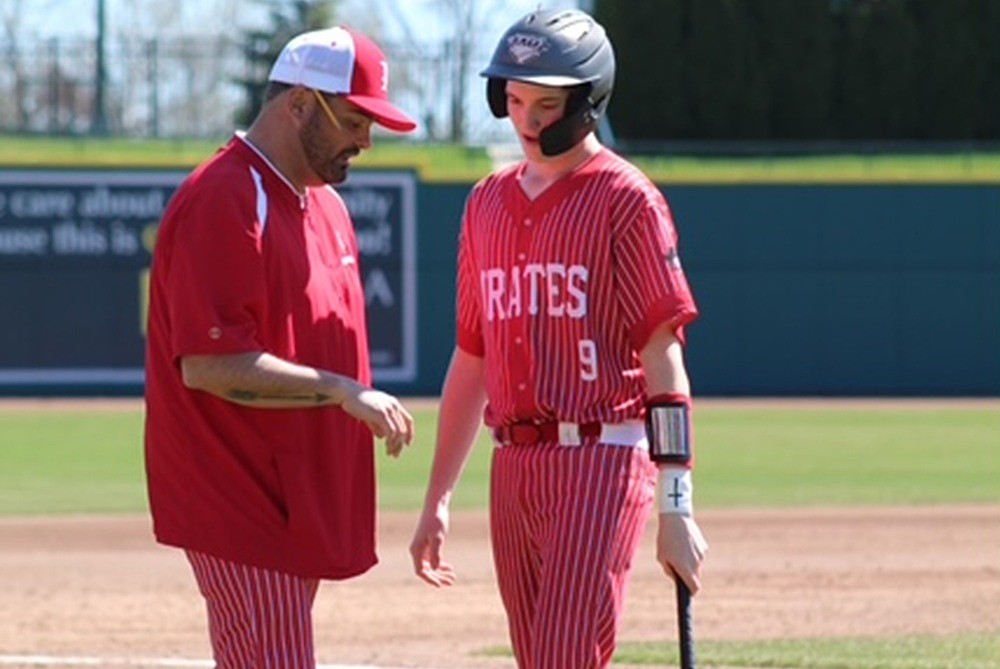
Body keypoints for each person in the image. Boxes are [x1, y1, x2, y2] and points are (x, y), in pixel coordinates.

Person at [409, 9, 708, 669]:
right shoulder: (485, 203)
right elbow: (471, 359)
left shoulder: (626, 199)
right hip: (514, 464)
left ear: (587, 101)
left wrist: (675, 502)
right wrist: (437, 497)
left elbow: (664, 356)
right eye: (514, 100)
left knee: (566, 657)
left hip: (602, 454)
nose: (528, 120)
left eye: (547, 103)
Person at [144, 26, 417, 669]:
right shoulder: (226, 196)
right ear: (298, 104)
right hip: (241, 499)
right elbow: (210, 365)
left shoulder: (323, 206)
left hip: (293, 500)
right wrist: (341, 390)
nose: (365, 142)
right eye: (353, 121)